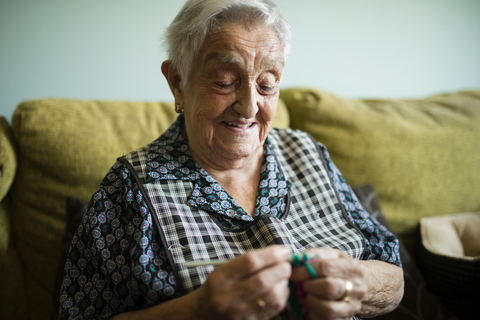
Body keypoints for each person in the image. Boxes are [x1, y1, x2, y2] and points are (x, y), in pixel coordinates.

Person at [58, 0, 404, 319]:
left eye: (267, 84)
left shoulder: (308, 151)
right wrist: (199, 309)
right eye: (225, 81)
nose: (250, 106)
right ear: (178, 82)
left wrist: (356, 284)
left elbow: (393, 274)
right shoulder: (133, 187)